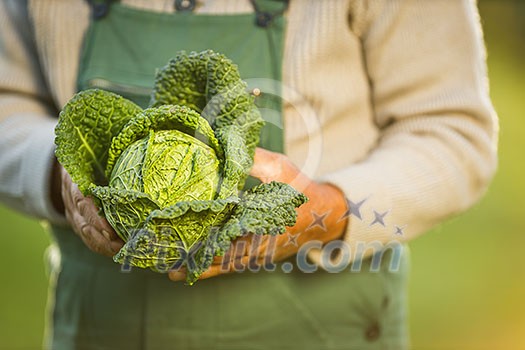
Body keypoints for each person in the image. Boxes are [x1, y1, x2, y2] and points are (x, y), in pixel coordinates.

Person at [0, 0, 498, 349]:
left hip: (325, 333)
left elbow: (452, 132)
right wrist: (57, 172)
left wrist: (329, 209)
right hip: (99, 332)